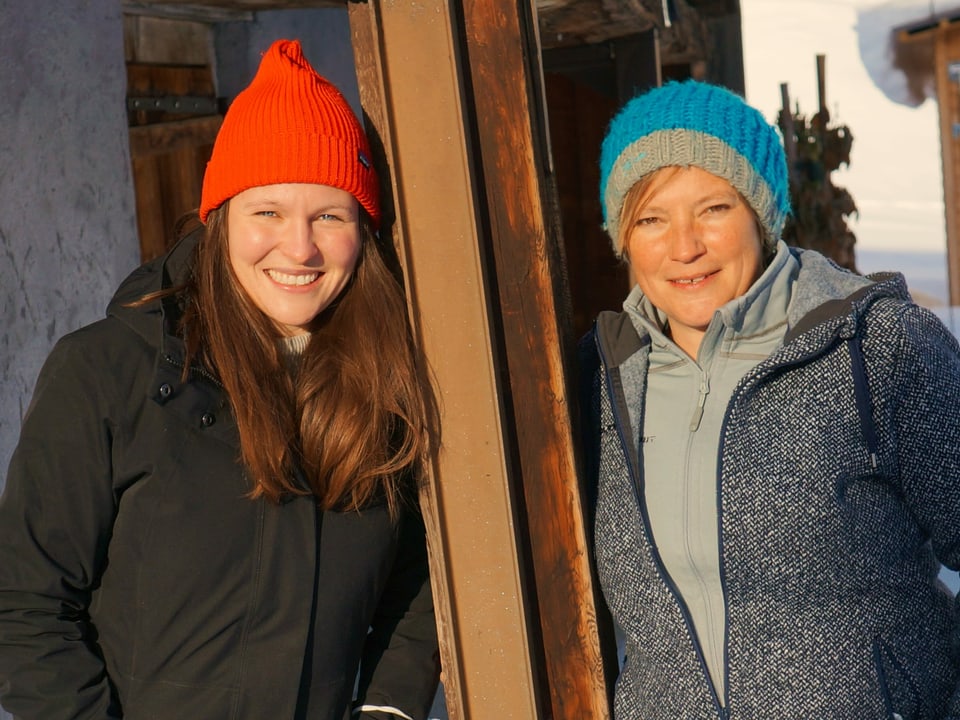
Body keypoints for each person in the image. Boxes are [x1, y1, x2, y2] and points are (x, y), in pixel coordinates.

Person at [0, 38, 440, 720]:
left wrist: (389, 705)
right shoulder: (108, 372)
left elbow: (422, 573)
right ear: (220, 219)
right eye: (268, 212)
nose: (300, 248)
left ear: (364, 231)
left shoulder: (390, 380)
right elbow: (25, 606)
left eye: (329, 215)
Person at [580, 78, 960, 719]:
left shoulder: (875, 346)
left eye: (713, 209)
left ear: (761, 213)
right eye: (650, 218)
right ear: (623, 237)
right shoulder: (603, 378)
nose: (683, 247)